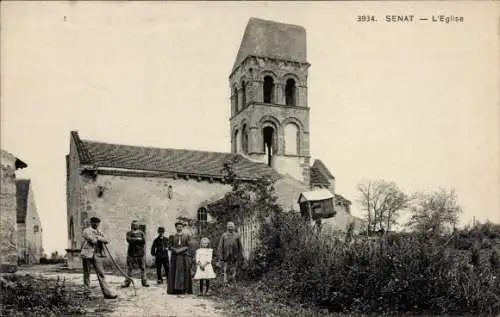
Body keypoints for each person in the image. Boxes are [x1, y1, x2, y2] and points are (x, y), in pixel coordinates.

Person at [80, 217, 118, 299]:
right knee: (87, 274)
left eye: (97, 223)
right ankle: (87, 293)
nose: (96, 224)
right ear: (91, 223)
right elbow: (92, 240)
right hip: (87, 254)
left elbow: (106, 240)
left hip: (97, 254)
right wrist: (99, 238)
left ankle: (107, 293)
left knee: (101, 274)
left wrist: (98, 237)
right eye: (94, 222)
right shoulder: (86, 230)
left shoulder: (99, 232)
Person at [167, 221, 193, 295]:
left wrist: (181, 249)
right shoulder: (172, 236)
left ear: (182, 227)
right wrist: (175, 250)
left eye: (180, 226)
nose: (179, 228)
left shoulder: (186, 236)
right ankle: (174, 289)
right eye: (178, 226)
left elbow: (188, 245)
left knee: (183, 272)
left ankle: (184, 289)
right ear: (176, 227)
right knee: (174, 271)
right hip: (175, 257)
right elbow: (169, 246)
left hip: (183, 256)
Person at [121, 220, 149, 288]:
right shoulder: (129, 232)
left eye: (136, 225)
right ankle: (127, 282)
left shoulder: (141, 233)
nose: (135, 226)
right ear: (131, 225)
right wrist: (138, 239)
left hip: (140, 253)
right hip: (131, 253)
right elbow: (128, 239)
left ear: (138, 226)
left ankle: (144, 282)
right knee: (129, 268)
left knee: (143, 268)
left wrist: (135, 239)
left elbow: (143, 241)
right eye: (133, 225)